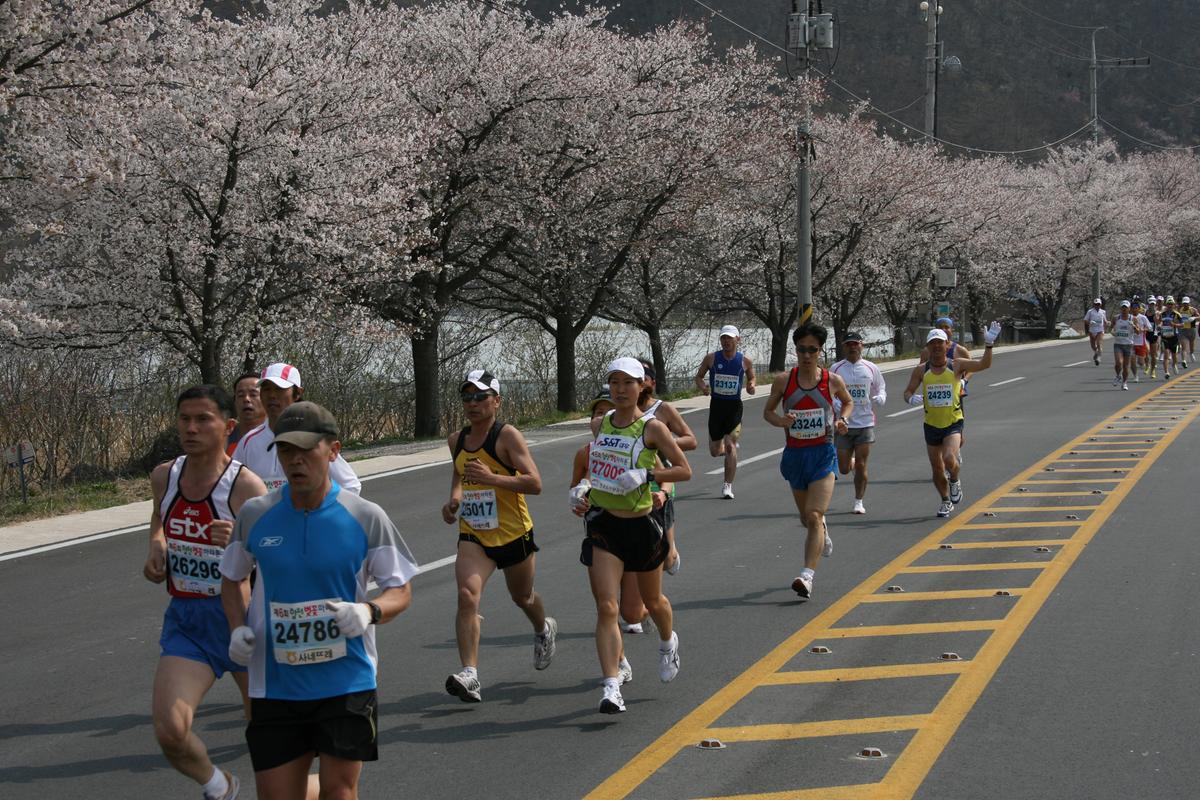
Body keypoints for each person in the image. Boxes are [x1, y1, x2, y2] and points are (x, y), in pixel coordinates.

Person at [219, 401, 417, 800]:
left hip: (346, 680)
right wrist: (238, 625)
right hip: (276, 684)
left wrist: (368, 610)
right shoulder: (256, 515)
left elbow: (401, 590)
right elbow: (232, 578)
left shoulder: (364, 516)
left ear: (333, 450)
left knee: (339, 793)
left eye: (306, 450)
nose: (295, 461)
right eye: (286, 450)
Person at [144, 384, 268, 800]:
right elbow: (159, 521)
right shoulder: (165, 476)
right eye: (184, 419)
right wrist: (157, 548)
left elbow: (275, 560)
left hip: (241, 621)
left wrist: (239, 541)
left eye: (203, 419)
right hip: (189, 621)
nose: (191, 428)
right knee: (170, 731)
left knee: (267, 737)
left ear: (228, 426)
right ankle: (220, 787)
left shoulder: (246, 487)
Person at [569, 357, 692, 714]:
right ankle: (611, 686)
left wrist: (646, 477)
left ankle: (669, 642)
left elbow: (684, 470)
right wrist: (581, 490)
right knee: (607, 606)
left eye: (628, 383)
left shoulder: (652, 428)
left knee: (653, 604)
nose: (620, 389)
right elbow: (595, 467)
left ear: (643, 387)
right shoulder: (600, 424)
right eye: (614, 382)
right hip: (605, 526)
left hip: (641, 525)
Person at [439, 370, 555, 703]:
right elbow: (459, 474)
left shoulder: (507, 437)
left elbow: (535, 484)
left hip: (513, 533)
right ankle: (470, 674)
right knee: (466, 594)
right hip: (474, 534)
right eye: (467, 397)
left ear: (496, 401)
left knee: (523, 597)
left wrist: (494, 479)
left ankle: (542, 629)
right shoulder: (456, 440)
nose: (472, 403)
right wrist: (454, 501)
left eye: (480, 397)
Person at [762, 323, 852, 599]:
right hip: (795, 455)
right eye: (801, 349)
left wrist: (842, 419)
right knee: (807, 518)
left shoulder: (831, 381)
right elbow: (768, 412)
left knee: (814, 515)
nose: (806, 355)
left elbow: (847, 402)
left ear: (820, 351)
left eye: (812, 350)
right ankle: (822, 530)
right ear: (796, 350)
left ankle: (806, 576)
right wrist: (782, 421)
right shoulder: (783, 381)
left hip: (823, 454)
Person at [902, 323, 1002, 518]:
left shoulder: (956, 365)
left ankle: (955, 480)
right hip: (931, 424)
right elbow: (907, 391)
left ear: (948, 345)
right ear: (928, 347)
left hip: (953, 422)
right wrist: (910, 398)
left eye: (940, 343)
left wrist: (989, 345)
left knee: (949, 458)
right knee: (937, 468)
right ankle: (945, 501)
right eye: (933, 344)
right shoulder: (921, 370)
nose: (937, 347)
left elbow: (984, 364)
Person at [233, 362, 362, 494]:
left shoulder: (313, 438)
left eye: (279, 389)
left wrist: (320, 512)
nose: (272, 395)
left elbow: (350, 486)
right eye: (266, 389)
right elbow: (230, 486)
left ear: (298, 393)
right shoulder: (248, 442)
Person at [637, 357, 696, 574]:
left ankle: (671, 555)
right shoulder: (620, 412)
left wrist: (663, 441)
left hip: (663, 479)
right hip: (632, 483)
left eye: (643, 378)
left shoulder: (663, 410)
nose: (639, 383)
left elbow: (691, 440)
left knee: (665, 557)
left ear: (652, 383)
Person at [694, 325, 755, 499]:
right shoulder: (711, 358)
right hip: (716, 408)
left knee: (729, 446)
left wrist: (751, 385)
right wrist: (703, 387)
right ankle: (726, 449)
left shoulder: (745, 361)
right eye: (723, 338)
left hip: (734, 408)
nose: (726, 341)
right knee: (714, 451)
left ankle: (727, 486)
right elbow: (698, 377)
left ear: (738, 339)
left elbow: (752, 377)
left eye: (729, 338)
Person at [828, 331, 887, 514]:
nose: (852, 347)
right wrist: (836, 402)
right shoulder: (836, 369)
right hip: (843, 424)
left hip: (865, 423)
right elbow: (827, 391)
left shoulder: (871, 368)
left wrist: (881, 397)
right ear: (844, 347)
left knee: (862, 464)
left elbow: (881, 387)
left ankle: (858, 501)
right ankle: (851, 464)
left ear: (861, 345)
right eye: (849, 344)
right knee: (844, 469)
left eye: (856, 344)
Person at [227, 372, 267, 456]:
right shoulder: (223, 437)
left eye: (253, 394)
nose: (246, 399)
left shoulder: (277, 436)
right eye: (241, 395)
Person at [1108, 301, 1135, 390]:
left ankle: (1124, 383)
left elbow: (1139, 331)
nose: (1124, 309)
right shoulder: (1116, 318)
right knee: (1118, 363)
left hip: (1128, 344)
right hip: (1118, 344)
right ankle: (1118, 375)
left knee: (1126, 366)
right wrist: (1112, 331)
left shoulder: (1133, 318)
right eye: (1123, 307)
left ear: (1129, 308)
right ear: (1120, 308)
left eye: (1126, 307)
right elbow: (1111, 328)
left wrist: (1134, 326)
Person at [1159, 297, 1181, 378]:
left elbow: (1182, 325)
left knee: (1174, 356)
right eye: (1168, 304)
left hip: (1174, 337)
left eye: (1171, 304)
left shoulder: (1177, 314)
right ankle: (1166, 372)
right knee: (1166, 354)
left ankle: (1174, 364)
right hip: (1165, 337)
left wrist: (1175, 325)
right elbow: (1160, 322)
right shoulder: (1162, 314)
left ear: (1174, 305)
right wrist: (1159, 326)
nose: (1170, 306)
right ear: (1166, 305)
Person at [1082, 299, 1107, 366]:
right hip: (1092, 330)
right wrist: (1090, 322)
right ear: (1093, 304)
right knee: (1093, 346)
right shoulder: (1090, 312)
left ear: (1100, 305)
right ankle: (1096, 353)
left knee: (1099, 344)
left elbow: (1105, 321)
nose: (1097, 305)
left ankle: (1098, 358)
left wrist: (1107, 324)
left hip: (1100, 330)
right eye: (1096, 304)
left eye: (1098, 304)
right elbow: (1085, 320)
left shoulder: (1103, 312)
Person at [1178, 295, 1197, 366]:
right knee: (1184, 347)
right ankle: (1184, 360)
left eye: (1187, 303)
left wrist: (1194, 318)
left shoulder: (1193, 310)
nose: (1185, 304)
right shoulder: (1180, 310)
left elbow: (1199, 316)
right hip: (1183, 330)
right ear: (1182, 303)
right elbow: (1177, 318)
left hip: (1191, 329)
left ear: (1189, 303)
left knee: (1191, 344)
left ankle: (1191, 353)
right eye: (1184, 303)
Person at [1143, 297, 1160, 378]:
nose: (1152, 306)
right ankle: (1147, 365)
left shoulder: (1157, 313)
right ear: (1148, 304)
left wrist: (1156, 320)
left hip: (1154, 334)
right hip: (1146, 334)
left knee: (1153, 355)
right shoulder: (1144, 313)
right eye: (1150, 304)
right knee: (1146, 352)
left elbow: (1160, 324)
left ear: (1155, 305)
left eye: (1153, 304)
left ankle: (1153, 370)